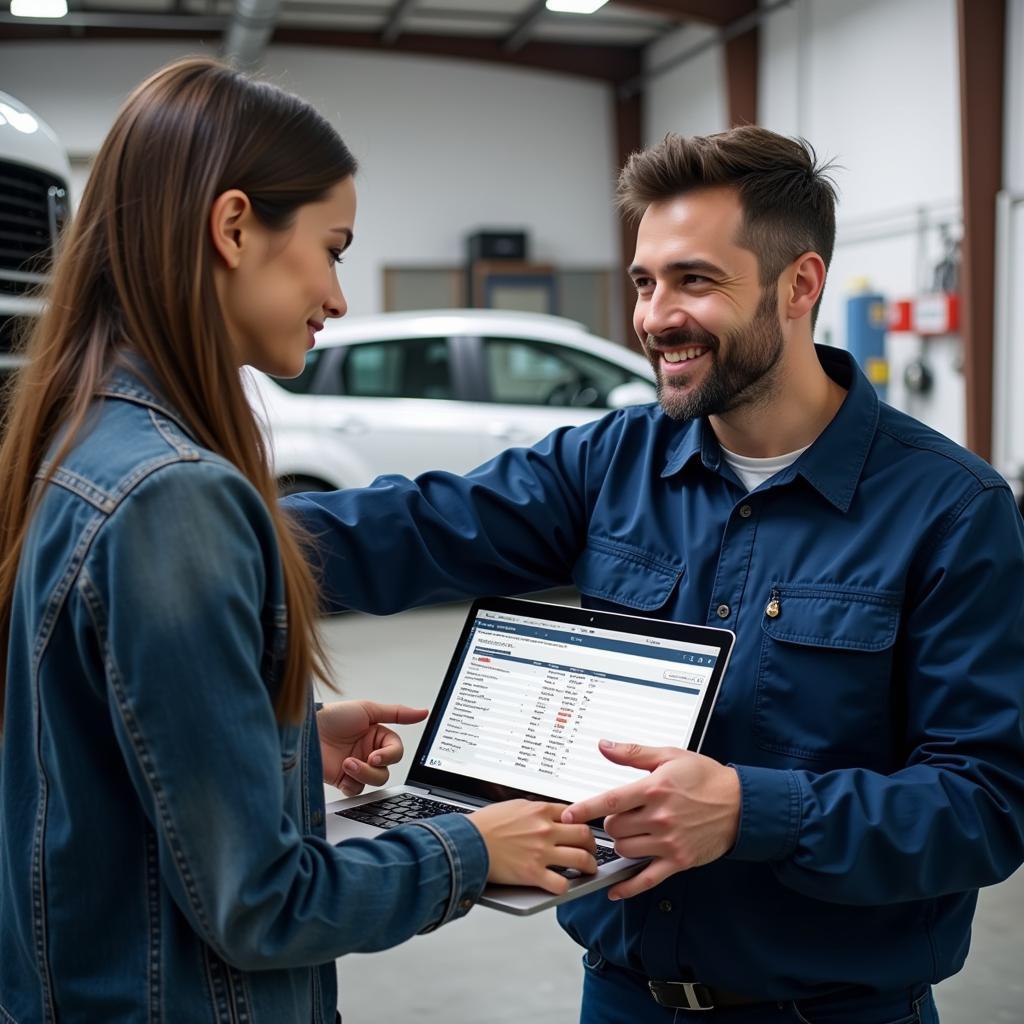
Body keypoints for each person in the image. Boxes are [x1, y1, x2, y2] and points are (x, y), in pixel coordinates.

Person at [283, 126, 1024, 1023]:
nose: (654, 316)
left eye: (696, 280)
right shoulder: (611, 462)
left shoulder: (950, 508)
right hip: (624, 997)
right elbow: (406, 530)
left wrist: (752, 810)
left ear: (801, 285)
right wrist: (191, 527)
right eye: (645, 281)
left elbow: (984, 805)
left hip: (834, 1009)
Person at [0, 57, 599, 1024]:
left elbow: (79, 761)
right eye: (332, 247)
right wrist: (476, 846)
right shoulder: (172, 498)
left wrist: (274, 742)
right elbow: (264, 905)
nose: (338, 294)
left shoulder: (71, 438)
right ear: (234, 226)